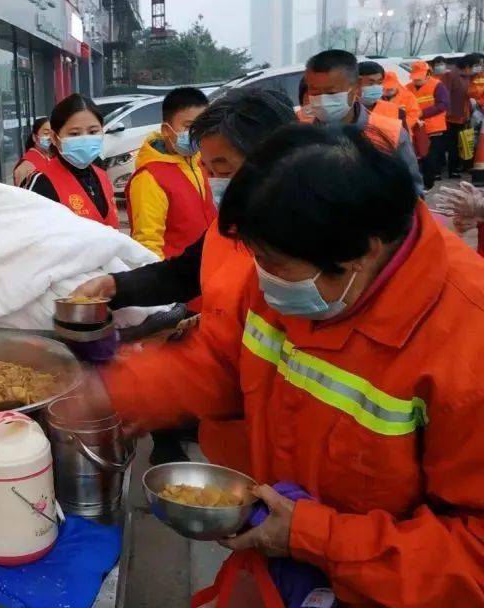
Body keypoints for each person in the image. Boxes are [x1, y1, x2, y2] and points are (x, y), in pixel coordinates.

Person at [101, 124, 484, 606]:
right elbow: (221, 361)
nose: (261, 278)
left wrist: (314, 537)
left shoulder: (466, 343)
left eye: (273, 264)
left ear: (363, 252)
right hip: (279, 572)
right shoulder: (285, 272)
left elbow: (473, 556)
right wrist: (115, 390)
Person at [74, 87, 297, 468]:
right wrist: (117, 286)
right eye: (209, 170)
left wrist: (137, 389)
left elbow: (235, 369)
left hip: (284, 448)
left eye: (223, 170)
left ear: (276, 160)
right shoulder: (235, 224)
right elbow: (185, 271)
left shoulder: (308, 254)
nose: (215, 182)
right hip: (236, 446)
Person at [304, 49, 424, 195]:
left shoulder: (390, 133)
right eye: (315, 92)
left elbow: (413, 191)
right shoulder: (300, 136)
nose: (322, 99)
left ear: (355, 88)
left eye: (331, 92)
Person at [125, 87, 215, 259]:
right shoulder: (150, 178)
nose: (197, 133)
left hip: (209, 272)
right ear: (166, 130)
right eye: (189, 126)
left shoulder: (204, 163)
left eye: (202, 126)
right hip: (175, 278)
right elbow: (148, 244)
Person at [26, 93, 118, 228]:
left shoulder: (102, 175)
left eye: (93, 132)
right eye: (74, 134)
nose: (85, 139)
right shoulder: (42, 182)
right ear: (55, 137)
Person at [407, 59, 452, 188]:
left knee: (430, 158)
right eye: (414, 78)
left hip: (434, 128)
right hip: (416, 127)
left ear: (428, 74)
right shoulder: (407, 88)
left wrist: (420, 113)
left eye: (419, 77)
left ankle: (428, 184)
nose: (416, 80)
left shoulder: (438, 85)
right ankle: (421, 183)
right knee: (418, 157)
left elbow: (443, 105)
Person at [13, 116, 52, 185]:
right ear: (34, 137)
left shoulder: (48, 158)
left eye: (53, 134)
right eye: (46, 133)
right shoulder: (26, 166)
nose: (50, 138)